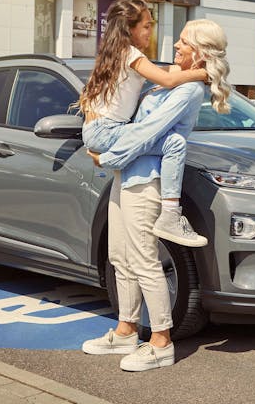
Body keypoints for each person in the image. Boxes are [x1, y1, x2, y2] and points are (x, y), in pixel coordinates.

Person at [83, 19, 231, 371]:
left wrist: (108, 157)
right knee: (120, 256)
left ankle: (161, 341)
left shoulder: (189, 91)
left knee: (145, 260)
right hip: (126, 176)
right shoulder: (172, 81)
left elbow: (148, 133)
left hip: (147, 179)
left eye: (182, 42)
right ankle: (125, 330)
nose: (175, 46)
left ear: (199, 52)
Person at [77, 0, 209, 247]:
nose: (151, 31)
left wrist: (197, 70)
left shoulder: (117, 54)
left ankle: (170, 216)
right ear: (130, 29)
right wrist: (202, 73)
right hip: (107, 131)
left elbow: (169, 72)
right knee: (175, 145)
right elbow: (168, 80)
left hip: (99, 130)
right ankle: (170, 216)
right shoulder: (130, 53)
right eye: (147, 26)